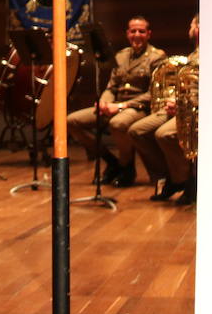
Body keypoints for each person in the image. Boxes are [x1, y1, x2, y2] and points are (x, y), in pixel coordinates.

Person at [66, 16, 166, 187]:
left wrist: (120, 106)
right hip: (113, 105)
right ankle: (111, 161)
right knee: (71, 121)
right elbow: (111, 87)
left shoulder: (157, 57)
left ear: (148, 34)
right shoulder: (121, 56)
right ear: (127, 33)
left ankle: (126, 168)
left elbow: (154, 93)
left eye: (141, 31)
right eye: (133, 31)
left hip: (138, 108)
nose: (137, 35)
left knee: (118, 123)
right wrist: (104, 103)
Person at [131, 13, 199, 203]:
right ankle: (170, 176)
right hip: (179, 105)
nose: (190, 29)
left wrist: (181, 104)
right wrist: (172, 99)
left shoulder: (208, 51)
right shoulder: (194, 52)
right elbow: (183, 82)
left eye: (192, 25)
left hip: (193, 109)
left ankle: (188, 181)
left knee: (165, 134)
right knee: (137, 130)